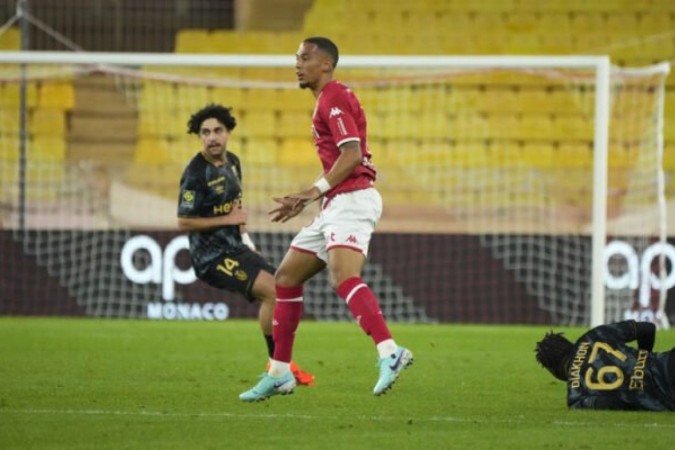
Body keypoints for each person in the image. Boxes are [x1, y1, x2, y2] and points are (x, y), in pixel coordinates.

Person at [239, 37, 413, 402]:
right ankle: (280, 371)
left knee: (343, 276)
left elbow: (351, 154)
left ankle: (390, 352)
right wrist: (316, 197)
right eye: (296, 58)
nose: (297, 64)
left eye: (305, 57)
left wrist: (310, 192)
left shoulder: (333, 97)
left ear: (326, 65)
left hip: (351, 198)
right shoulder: (327, 99)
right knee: (286, 278)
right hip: (336, 202)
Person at [176, 103, 314, 388]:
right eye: (205, 132)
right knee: (274, 292)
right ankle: (279, 367)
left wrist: (247, 241)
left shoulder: (234, 163)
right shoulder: (195, 173)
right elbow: (184, 221)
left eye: (217, 130)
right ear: (198, 136)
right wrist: (228, 218)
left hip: (235, 247)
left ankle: (279, 366)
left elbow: (237, 209)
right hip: (210, 257)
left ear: (228, 133)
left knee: (283, 287)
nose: (212, 137)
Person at [535, 319, 675, 411]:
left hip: (667, 395)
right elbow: (647, 328)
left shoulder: (575, 397)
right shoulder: (593, 336)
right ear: (569, 343)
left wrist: (635, 393)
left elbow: (611, 404)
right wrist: (644, 361)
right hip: (668, 361)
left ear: (554, 371)